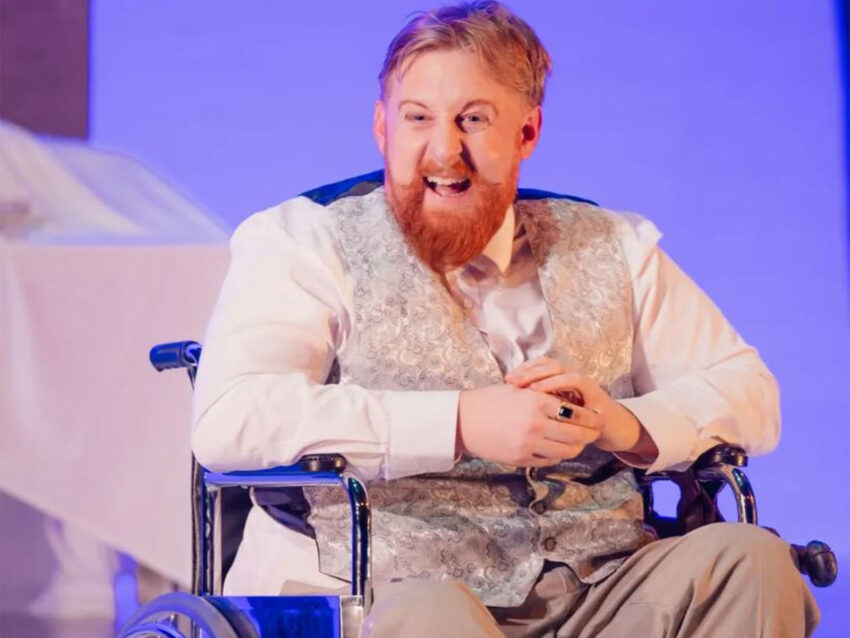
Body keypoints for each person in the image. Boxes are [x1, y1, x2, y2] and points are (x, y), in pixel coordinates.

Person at [191, 2, 819, 636]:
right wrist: (461, 421)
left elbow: (750, 391)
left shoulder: (613, 245)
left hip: (597, 588)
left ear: (527, 132)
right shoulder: (302, 241)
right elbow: (231, 416)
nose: (444, 151)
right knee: (434, 616)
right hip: (394, 588)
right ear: (382, 127)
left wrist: (619, 423)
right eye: (418, 118)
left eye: (473, 119)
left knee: (752, 563)